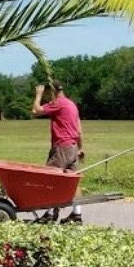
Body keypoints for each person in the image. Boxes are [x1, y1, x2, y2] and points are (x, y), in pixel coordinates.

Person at [32, 80, 84, 224]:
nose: (47, 97)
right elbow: (79, 130)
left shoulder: (58, 103)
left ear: (52, 91)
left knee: (50, 179)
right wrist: (80, 148)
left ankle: (50, 214)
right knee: (73, 182)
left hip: (62, 147)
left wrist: (38, 95)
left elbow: (35, 111)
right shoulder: (72, 105)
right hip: (73, 147)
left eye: (47, 93)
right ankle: (77, 215)